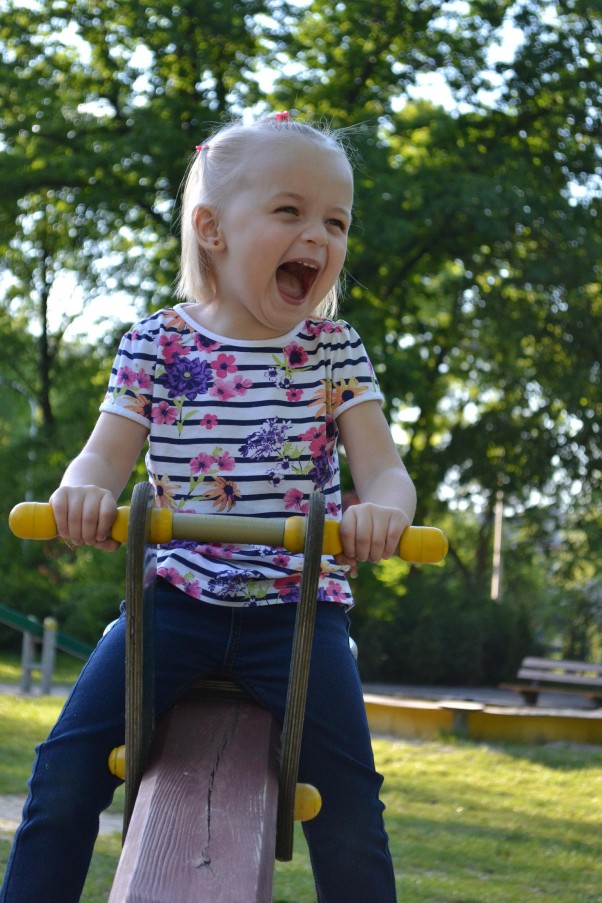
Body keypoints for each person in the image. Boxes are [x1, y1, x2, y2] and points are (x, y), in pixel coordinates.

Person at [1, 113, 416, 903]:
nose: (318, 237)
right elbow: (102, 455)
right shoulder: (155, 344)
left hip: (299, 615)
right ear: (211, 228)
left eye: (336, 221)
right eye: (290, 212)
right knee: (63, 774)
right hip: (173, 599)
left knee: (351, 806)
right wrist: (83, 489)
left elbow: (386, 472)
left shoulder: (334, 351)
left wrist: (382, 511)